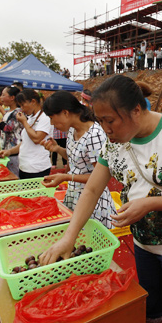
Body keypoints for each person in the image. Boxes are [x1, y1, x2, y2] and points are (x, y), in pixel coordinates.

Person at [39, 75, 162, 323]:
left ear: (136, 111)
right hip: (143, 242)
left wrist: (148, 204)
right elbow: (94, 187)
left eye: (111, 121)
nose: (106, 129)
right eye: (101, 121)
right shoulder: (113, 141)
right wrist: (69, 237)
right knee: (151, 309)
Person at [41, 91, 117, 228]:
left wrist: (66, 177)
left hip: (93, 200)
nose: (52, 123)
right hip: (75, 195)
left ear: (65, 113)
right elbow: (75, 159)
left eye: (52, 118)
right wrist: (57, 149)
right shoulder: (72, 130)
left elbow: (100, 177)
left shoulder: (94, 135)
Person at [0, 89, 52, 179]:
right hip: (25, 166)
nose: (22, 108)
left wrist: (24, 122)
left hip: (37, 167)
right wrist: (9, 151)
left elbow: (37, 139)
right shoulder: (31, 118)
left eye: (23, 105)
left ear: (33, 102)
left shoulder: (44, 118)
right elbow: (25, 142)